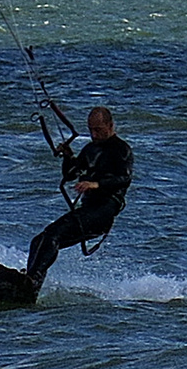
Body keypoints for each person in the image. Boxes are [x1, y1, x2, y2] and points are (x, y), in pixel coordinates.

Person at [25, 105, 132, 291]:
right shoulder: (90, 149)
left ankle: (31, 280)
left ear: (111, 125)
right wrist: (68, 157)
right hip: (87, 209)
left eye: (98, 130)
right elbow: (71, 175)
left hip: (103, 211)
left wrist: (96, 184)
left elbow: (124, 178)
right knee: (39, 240)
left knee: (52, 235)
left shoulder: (121, 149)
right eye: (91, 130)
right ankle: (30, 283)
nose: (94, 134)